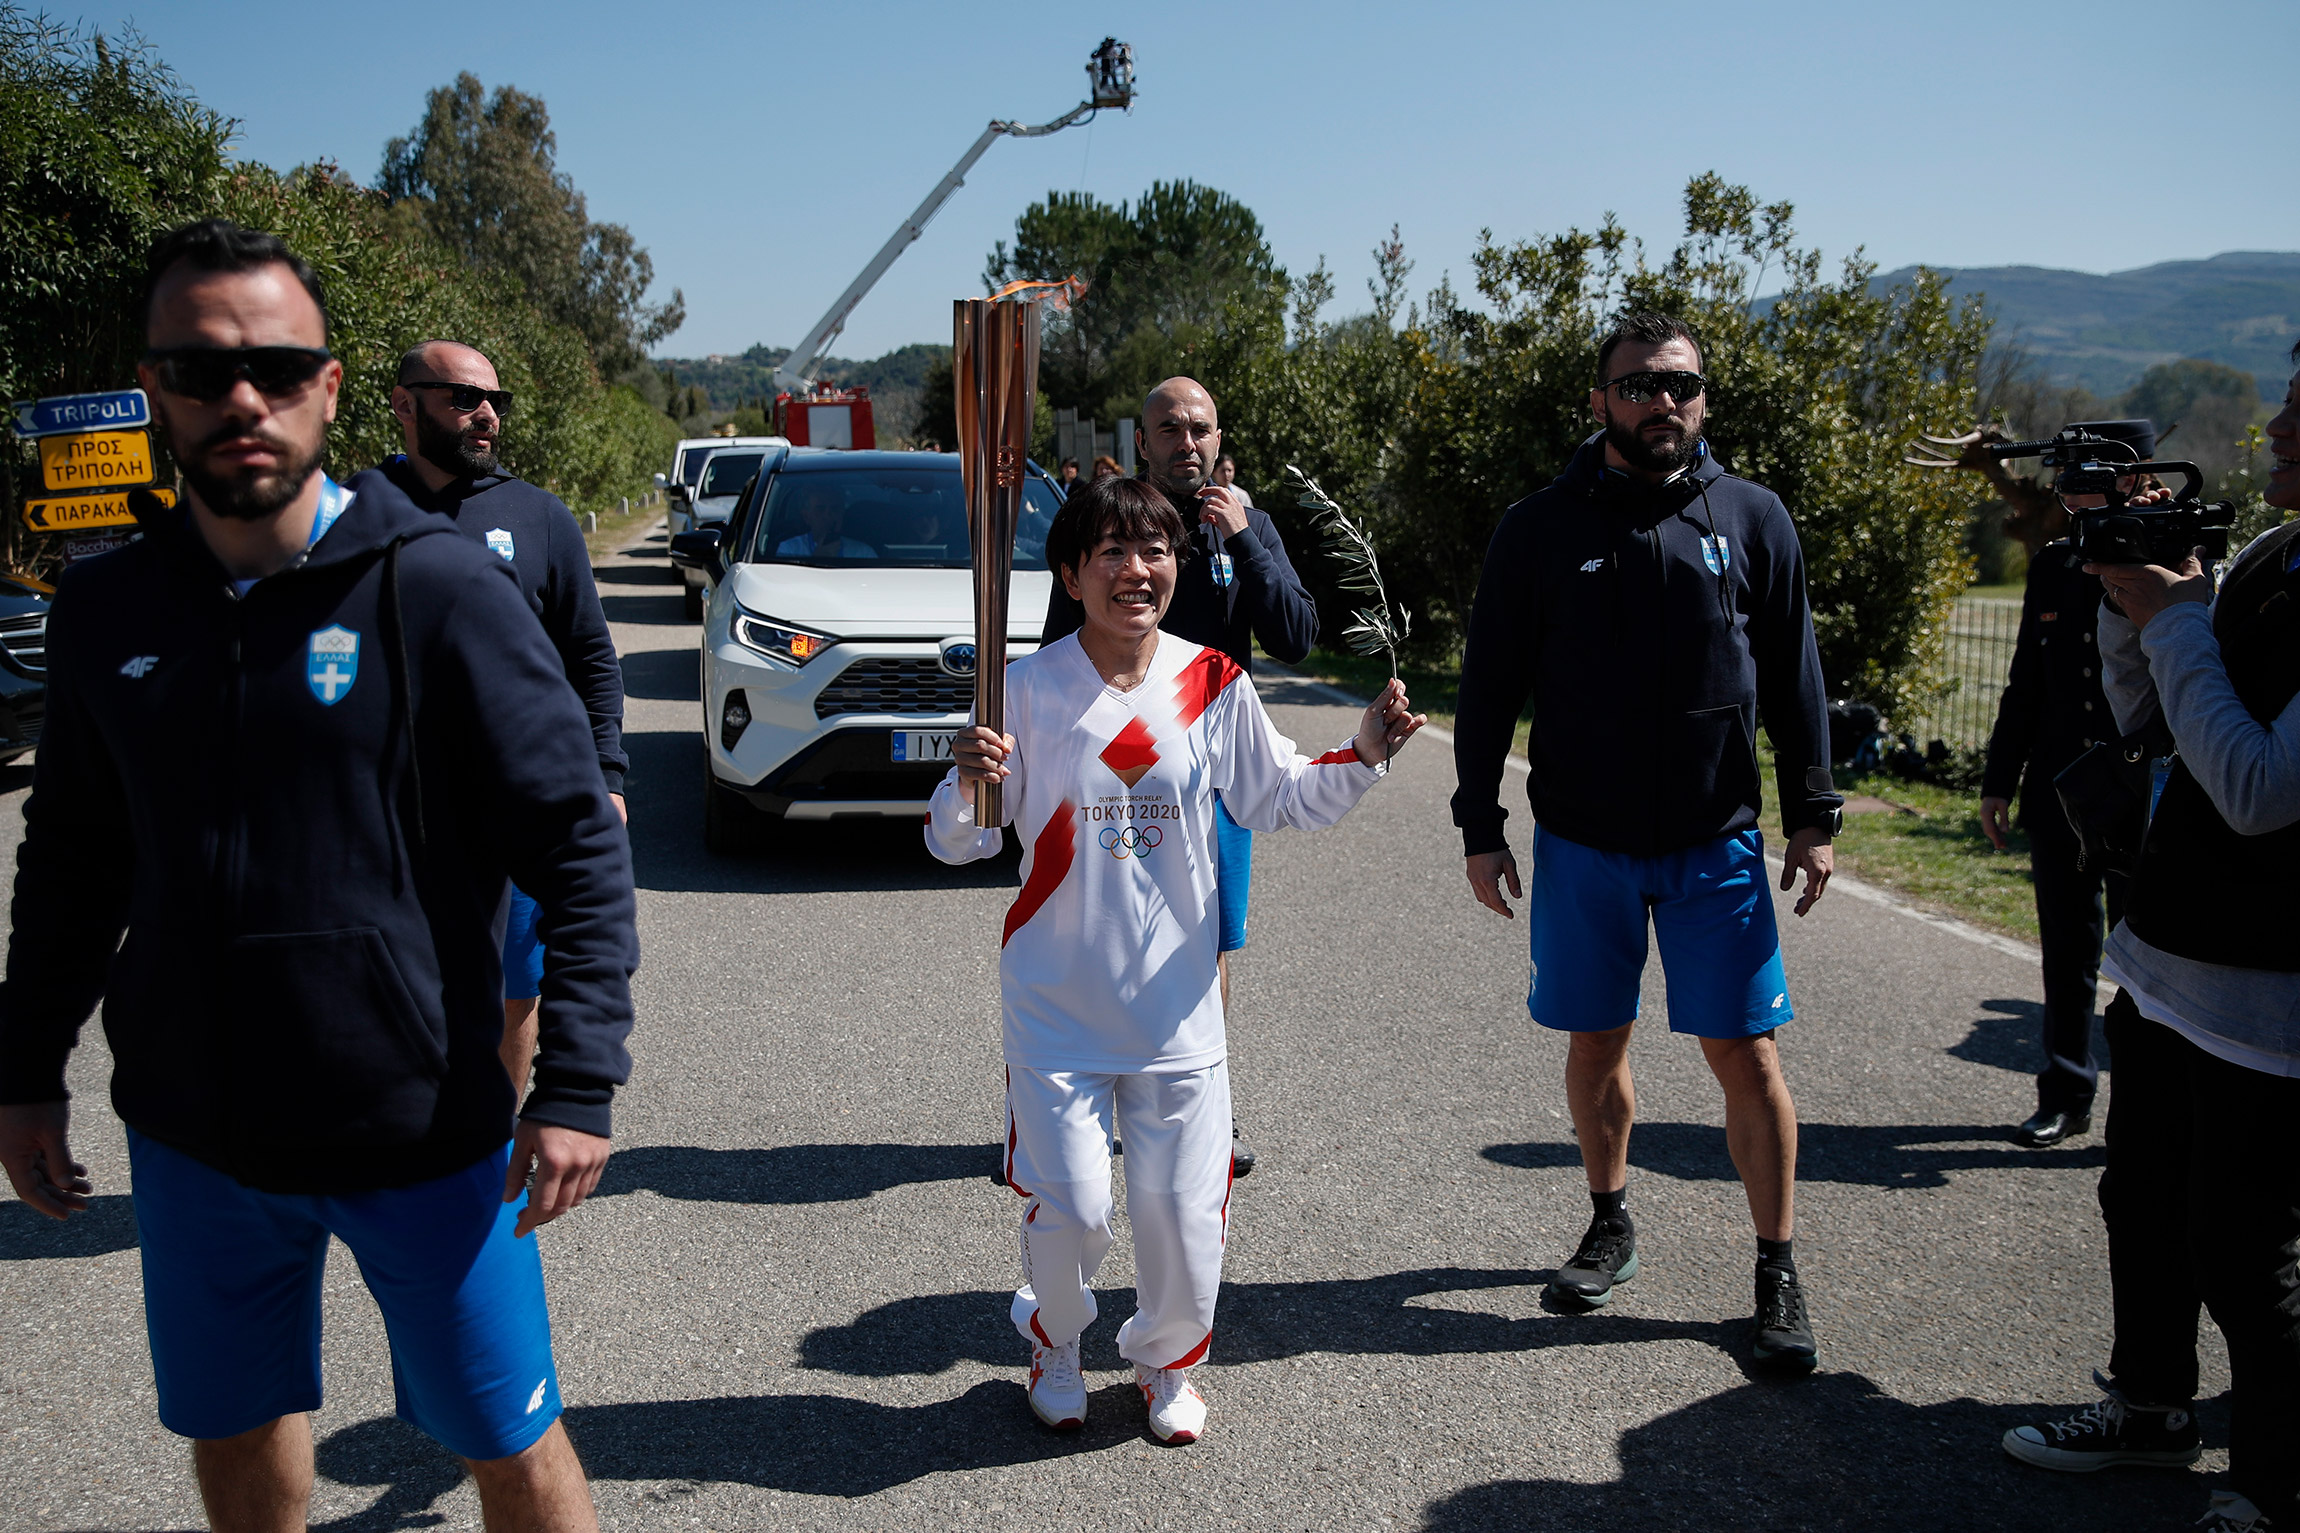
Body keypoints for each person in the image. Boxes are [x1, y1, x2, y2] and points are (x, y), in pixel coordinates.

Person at [0, 220, 637, 1532]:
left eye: (279, 367)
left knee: (510, 1451)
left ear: (334, 388)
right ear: (157, 389)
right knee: (237, 1449)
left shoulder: (442, 590)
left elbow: (577, 841)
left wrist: (575, 1078)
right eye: (200, 367)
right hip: (192, 1139)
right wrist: (23, 1072)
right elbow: (70, 855)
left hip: (422, 1132)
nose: (243, 397)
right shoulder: (111, 609)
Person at [929, 475, 1423, 1442]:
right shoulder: (1022, 691)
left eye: (1152, 550)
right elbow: (962, 843)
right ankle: (1057, 1340)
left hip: (1179, 1011)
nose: (1134, 570)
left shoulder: (1211, 681)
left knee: (1182, 1219)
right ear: (1071, 574)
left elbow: (1278, 794)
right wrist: (966, 781)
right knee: (1070, 1206)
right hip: (1058, 1009)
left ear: (1175, 567)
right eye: (1109, 552)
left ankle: (1168, 1361)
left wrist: (1362, 751)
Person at [1451, 311, 1843, 1372]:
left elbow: (1796, 673)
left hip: (1716, 842)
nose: (1659, 403)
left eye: (1678, 386)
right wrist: (1478, 827)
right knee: (1596, 1041)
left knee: (1745, 1054)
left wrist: (1811, 813)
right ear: (1598, 402)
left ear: (1701, 399)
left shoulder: (1753, 519)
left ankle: (1774, 1269)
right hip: (1583, 840)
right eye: (1636, 386)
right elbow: (1487, 687)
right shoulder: (1537, 528)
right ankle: (1608, 1221)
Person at [2002, 350, 2300, 1533]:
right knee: (2138, 1197)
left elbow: (2256, 788)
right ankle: (2149, 1408)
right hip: (2171, 957)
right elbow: (2155, 719)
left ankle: (2272, 1483)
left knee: (2243, 1245)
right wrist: (2131, 599)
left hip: (2268, 990)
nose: (2273, 426)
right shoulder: (2276, 557)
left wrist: (2175, 619)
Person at [1043, 377, 1320, 1178]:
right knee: (1080, 930)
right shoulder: (1097, 524)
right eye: (1170, 428)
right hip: (1110, 769)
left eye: (1198, 428)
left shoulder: (1246, 525)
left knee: (1205, 943)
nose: (1185, 442)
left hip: (1213, 777)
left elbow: (1297, 639)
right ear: (1144, 440)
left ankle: (1207, 1112)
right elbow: (1057, 650)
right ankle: (1049, 1106)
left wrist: (1247, 541)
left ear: (1219, 436)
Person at [379, 340, 629, 1097]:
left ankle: (487, 1147)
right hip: (388, 818)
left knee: (517, 990)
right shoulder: (356, 513)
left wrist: (608, 776)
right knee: (390, 988)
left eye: (494, 401)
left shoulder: (540, 518)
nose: (485, 414)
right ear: (404, 404)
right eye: (462, 397)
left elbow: (591, 659)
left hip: (513, 813)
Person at [1979, 419, 2161, 1149]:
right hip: (2060, 785)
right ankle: (2064, 1092)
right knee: (2066, 945)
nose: (2076, 487)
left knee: (2148, 956)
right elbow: (2028, 680)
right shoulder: (2055, 562)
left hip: (2140, 786)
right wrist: (1999, 779)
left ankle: (2146, 1109)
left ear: (2137, 475)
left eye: (2094, 472)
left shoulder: (2169, 558)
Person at [776, 481, 876, 559]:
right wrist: (817, 559)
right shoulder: (789, 550)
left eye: (834, 509)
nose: (828, 516)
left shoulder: (863, 552)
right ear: (806, 516)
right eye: (820, 509)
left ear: (842, 515)